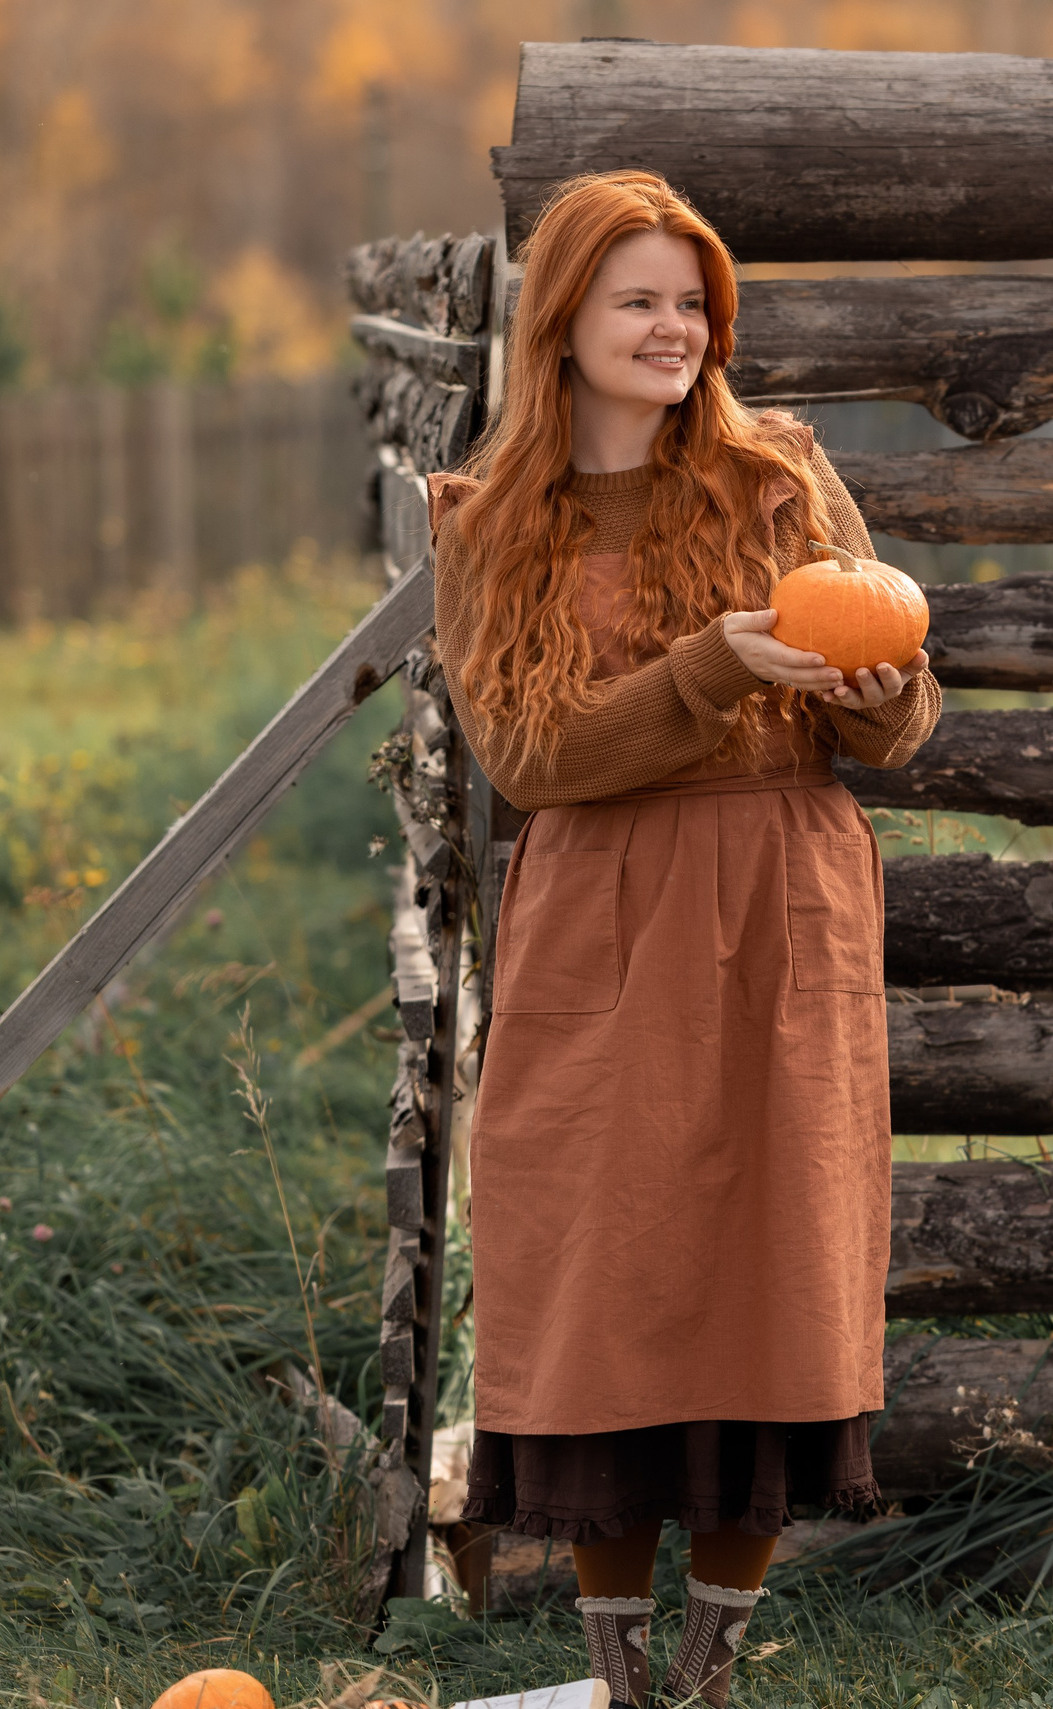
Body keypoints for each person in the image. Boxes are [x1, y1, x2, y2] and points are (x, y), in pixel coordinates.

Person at [425, 169, 939, 1709]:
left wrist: (881, 700)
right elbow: (529, 756)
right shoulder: (488, 518)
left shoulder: (780, 473)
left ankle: (704, 1677)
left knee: (768, 1266)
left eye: (692, 299)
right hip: (606, 919)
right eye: (638, 298)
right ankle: (619, 1678)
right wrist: (710, 667)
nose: (675, 326)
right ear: (562, 323)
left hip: (785, 902)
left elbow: (898, 702)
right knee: (608, 1268)